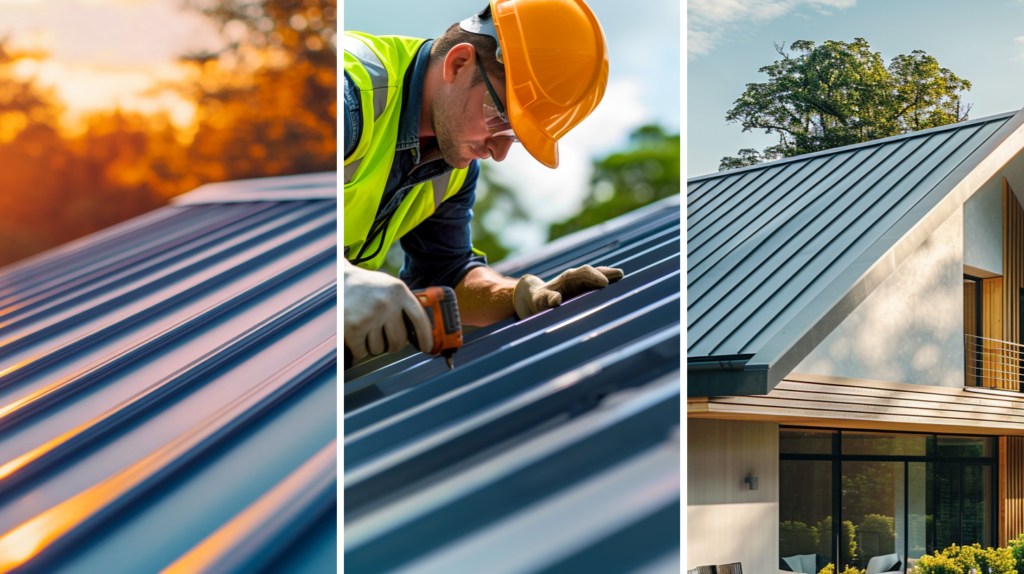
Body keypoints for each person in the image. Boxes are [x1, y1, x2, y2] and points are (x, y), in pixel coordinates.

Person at [343, 0, 622, 363]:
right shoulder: (346, 95)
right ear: (459, 63)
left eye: (516, 137)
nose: (500, 152)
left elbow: (445, 275)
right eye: (500, 120)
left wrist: (518, 295)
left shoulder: (453, 170)